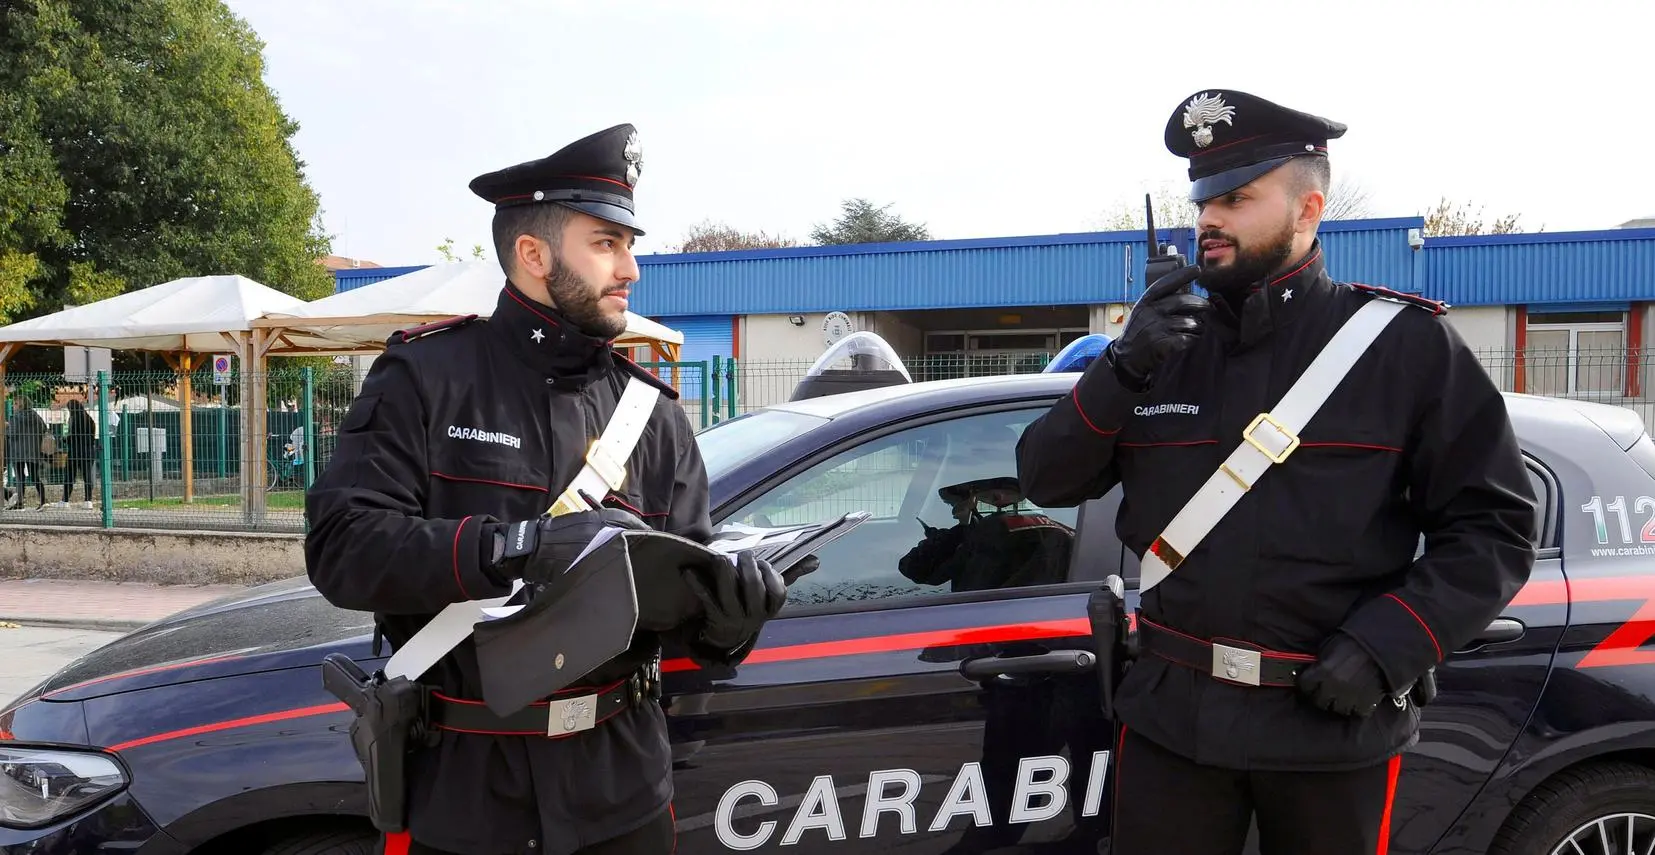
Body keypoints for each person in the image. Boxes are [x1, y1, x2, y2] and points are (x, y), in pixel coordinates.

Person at [1015, 90, 1538, 855]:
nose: (1207, 220)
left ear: (1307, 209)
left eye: (1234, 198)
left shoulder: (1403, 347)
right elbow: (1046, 479)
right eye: (1200, 200)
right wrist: (1122, 365)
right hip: (1171, 721)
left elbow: (1494, 527)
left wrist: (1390, 644)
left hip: (1330, 720)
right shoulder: (1158, 350)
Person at [305, 123, 789, 855]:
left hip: (620, 791)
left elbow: (685, 616)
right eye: (605, 243)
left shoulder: (652, 415)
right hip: (464, 794)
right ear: (533, 255)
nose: (629, 267)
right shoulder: (426, 378)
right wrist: (513, 547)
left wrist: (731, 619)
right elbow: (343, 547)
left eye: (628, 244)